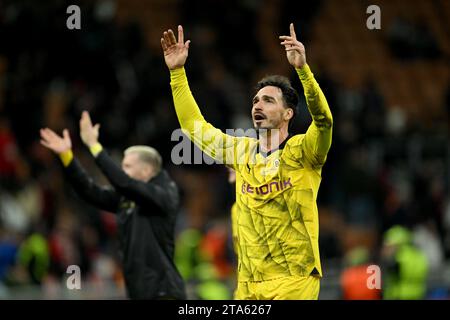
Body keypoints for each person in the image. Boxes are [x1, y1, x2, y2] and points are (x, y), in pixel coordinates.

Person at [161, 23, 333, 299]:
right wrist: (177, 73)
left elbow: (324, 121)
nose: (257, 105)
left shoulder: (303, 151)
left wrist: (303, 70)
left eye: (268, 100)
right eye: (255, 101)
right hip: (248, 285)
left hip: (294, 279)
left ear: (288, 114)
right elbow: (193, 127)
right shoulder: (240, 152)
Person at [39, 111, 186, 300]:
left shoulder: (165, 194)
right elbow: (90, 191)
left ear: (147, 169)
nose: (122, 172)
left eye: (127, 166)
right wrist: (67, 157)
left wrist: (95, 146)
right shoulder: (127, 198)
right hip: (140, 293)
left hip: (163, 293)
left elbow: (124, 182)